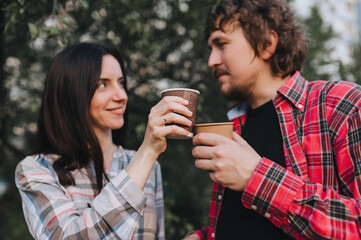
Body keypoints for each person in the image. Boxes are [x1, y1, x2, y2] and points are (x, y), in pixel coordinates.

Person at [185, 0, 361, 239]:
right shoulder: (234, 126)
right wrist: (204, 235)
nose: (212, 61)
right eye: (210, 49)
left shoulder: (341, 105)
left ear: (266, 44)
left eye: (221, 44)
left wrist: (255, 177)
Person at [15, 42, 193, 239]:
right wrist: (148, 151)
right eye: (102, 85)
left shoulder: (149, 166)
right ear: (72, 93)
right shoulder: (37, 170)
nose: (121, 96)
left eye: (121, 83)